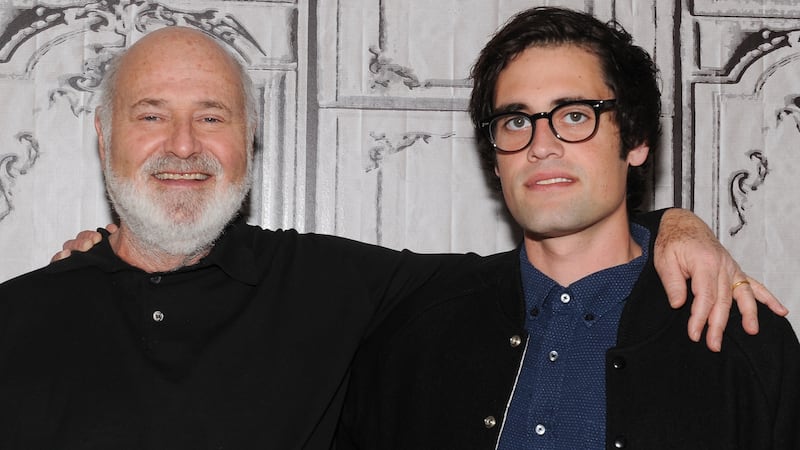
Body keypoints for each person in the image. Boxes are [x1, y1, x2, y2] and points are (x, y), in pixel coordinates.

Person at [0, 24, 783, 449]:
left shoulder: (349, 290)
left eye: (212, 116)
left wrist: (680, 225)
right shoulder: (17, 320)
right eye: (150, 116)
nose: (182, 145)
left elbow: (581, 232)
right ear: (103, 136)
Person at [335, 7, 800, 449]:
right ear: (495, 159)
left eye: (575, 115)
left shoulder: (739, 340)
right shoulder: (417, 333)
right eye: (516, 121)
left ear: (636, 140)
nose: (541, 145)